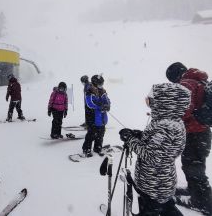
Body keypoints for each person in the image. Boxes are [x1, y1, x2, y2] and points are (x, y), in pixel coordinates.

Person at [119, 83, 191, 216]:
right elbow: (157, 146)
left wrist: (130, 140)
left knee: (153, 209)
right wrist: (139, 135)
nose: (148, 100)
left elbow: (152, 156)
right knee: (165, 208)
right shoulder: (168, 121)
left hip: (155, 184)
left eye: (152, 97)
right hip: (159, 181)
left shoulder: (166, 127)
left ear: (164, 102)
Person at [166, 62, 212, 215]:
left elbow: (183, 110)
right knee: (196, 164)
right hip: (202, 134)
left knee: (192, 166)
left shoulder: (186, 84)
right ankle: (193, 190)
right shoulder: (199, 80)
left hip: (194, 134)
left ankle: (202, 202)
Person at [82, 75, 110, 157]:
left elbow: (107, 100)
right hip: (92, 116)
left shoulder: (102, 91)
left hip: (101, 117)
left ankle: (97, 147)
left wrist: (107, 105)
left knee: (101, 133)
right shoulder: (90, 91)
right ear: (95, 83)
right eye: (100, 84)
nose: (101, 85)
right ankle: (86, 149)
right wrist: (99, 106)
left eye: (102, 84)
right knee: (91, 134)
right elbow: (90, 103)